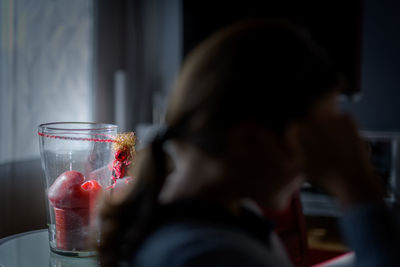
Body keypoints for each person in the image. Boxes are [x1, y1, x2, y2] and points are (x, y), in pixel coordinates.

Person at [98, 19, 400, 267]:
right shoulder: (206, 256)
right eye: (310, 142)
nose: (311, 166)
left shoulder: (227, 213)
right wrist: (357, 187)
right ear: (250, 138)